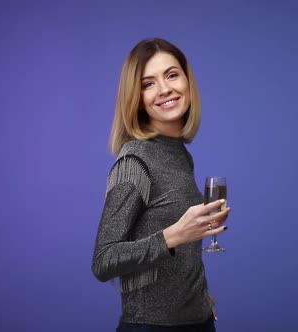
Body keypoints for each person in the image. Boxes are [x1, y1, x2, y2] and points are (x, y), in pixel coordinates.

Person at [92, 38, 230, 331]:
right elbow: (103, 260)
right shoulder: (135, 160)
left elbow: (181, 260)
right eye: (148, 83)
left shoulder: (179, 153)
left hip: (197, 323)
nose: (165, 89)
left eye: (171, 75)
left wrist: (199, 301)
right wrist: (172, 236)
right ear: (136, 97)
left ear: (186, 80)